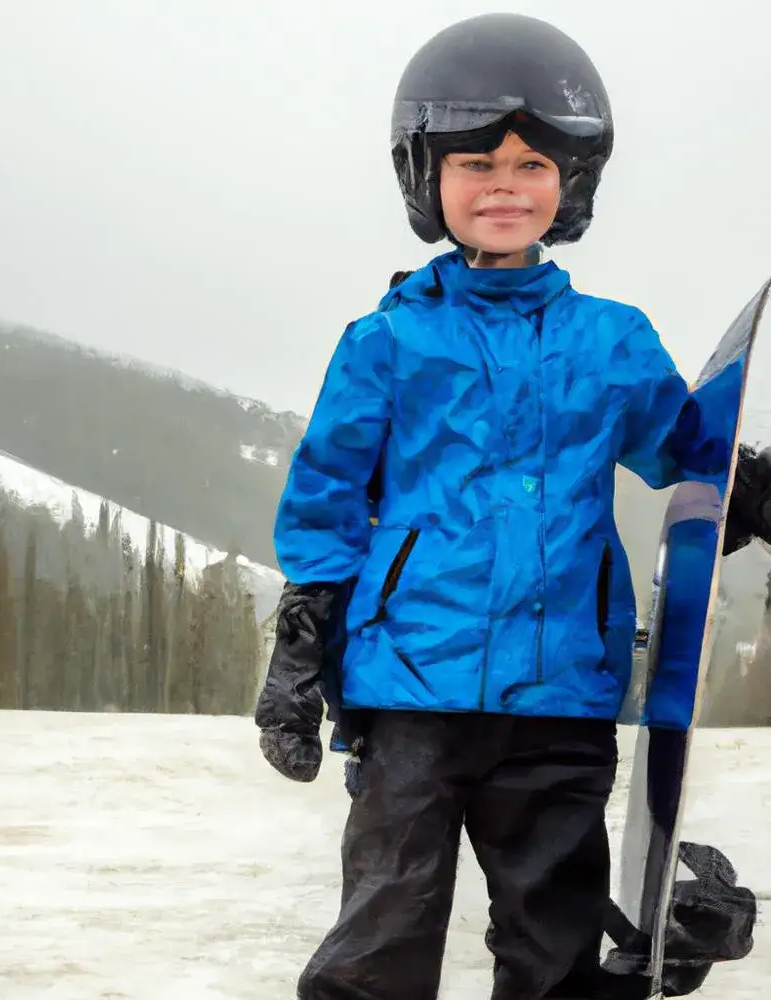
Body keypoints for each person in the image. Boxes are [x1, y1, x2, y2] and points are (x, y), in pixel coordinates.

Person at [254, 12, 771, 1000]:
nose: (502, 183)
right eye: (475, 162)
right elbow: (327, 491)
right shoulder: (387, 342)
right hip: (408, 693)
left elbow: (685, 453)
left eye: (531, 163)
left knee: (551, 941)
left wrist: (754, 485)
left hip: (561, 695)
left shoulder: (611, 341)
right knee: (383, 932)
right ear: (426, 177)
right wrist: (301, 639)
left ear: (570, 182)